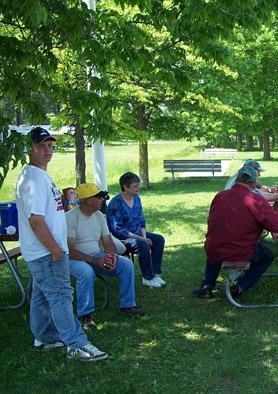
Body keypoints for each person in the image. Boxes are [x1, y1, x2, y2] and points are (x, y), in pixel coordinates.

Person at [15, 127, 108, 362]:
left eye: (50, 145)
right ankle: (77, 344)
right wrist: (56, 250)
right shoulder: (33, 179)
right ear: (29, 149)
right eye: (41, 146)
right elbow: (36, 221)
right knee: (60, 296)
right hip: (46, 252)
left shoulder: (39, 175)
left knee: (42, 296)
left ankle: (45, 338)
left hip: (45, 251)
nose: (47, 150)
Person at [193, 166, 278, 299]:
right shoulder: (255, 200)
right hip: (239, 249)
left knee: (216, 247)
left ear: (237, 179)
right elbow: (277, 227)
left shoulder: (220, 196)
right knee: (267, 255)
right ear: (254, 183)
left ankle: (207, 286)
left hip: (213, 246)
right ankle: (240, 287)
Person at [67, 183, 145, 329]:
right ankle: (85, 316)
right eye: (100, 197)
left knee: (126, 264)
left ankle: (128, 306)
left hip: (95, 256)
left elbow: (107, 241)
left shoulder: (99, 216)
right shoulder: (70, 217)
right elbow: (70, 250)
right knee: (86, 272)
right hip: (74, 259)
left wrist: (112, 256)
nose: (103, 199)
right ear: (89, 200)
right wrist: (94, 260)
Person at [107, 172, 166, 288]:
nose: (138, 188)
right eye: (134, 186)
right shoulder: (116, 203)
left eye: (138, 185)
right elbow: (118, 229)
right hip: (122, 238)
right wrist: (142, 239)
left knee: (159, 239)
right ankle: (147, 277)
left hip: (138, 234)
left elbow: (141, 220)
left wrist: (144, 236)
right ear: (125, 187)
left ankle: (155, 274)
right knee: (143, 244)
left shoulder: (137, 199)